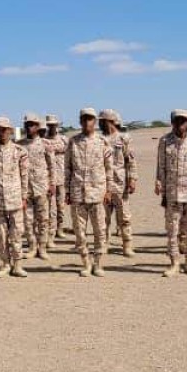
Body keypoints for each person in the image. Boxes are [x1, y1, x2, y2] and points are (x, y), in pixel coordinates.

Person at [155, 109, 187, 277]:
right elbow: (160, 167)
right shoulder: (164, 141)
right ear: (172, 122)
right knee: (172, 231)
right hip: (172, 193)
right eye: (177, 121)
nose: (180, 124)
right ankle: (174, 263)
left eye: (184, 121)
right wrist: (161, 189)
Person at [64, 107, 113, 277]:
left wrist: (108, 190)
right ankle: (86, 262)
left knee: (100, 231)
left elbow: (109, 169)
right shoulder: (73, 142)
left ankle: (98, 263)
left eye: (90, 119)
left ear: (95, 122)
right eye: (84, 119)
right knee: (79, 232)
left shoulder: (102, 142)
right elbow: (68, 168)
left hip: (97, 193)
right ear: (80, 121)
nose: (87, 122)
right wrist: (68, 192)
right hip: (78, 193)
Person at [0, 117, 30, 278]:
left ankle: (17, 265)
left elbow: (24, 177)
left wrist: (24, 197)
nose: (1, 132)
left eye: (4, 129)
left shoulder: (20, 151)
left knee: (16, 233)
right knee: (1, 234)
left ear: (10, 130)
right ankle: (4, 264)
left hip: (16, 198)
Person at [100, 109, 137, 257]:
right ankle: (104, 244)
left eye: (102, 121)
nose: (100, 124)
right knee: (103, 218)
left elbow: (131, 161)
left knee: (124, 217)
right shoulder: (99, 139)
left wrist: (132, 179)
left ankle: (127, 245)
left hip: (120, 184)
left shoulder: (123, 138)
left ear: (110, 121)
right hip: (103, 185)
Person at [19, 114, 54, 261]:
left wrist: (52, 183)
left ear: (38, 127)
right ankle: (32, 247)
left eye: (32, 124)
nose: (29, 127)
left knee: (43, 220)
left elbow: (52, 166)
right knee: (28, 221)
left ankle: (43, 247)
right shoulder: (19, 145)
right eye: (27, 124)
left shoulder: (45, 144)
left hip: (41, 187)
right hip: (25, 188)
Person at [44, 115, 69, 238]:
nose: (52, 127)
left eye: (54, 125)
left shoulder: (64, 139)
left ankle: (60, 228)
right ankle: (51, 231)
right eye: (50, 125)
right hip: (49, 180)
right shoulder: (43, 140)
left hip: (62, 177)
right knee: (51, 208)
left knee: (61, 206)